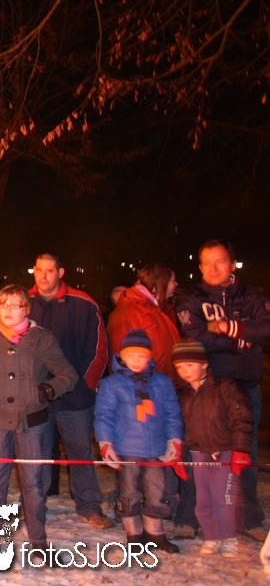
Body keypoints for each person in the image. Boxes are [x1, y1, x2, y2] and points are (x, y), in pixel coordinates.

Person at [0, 284, 78, 549]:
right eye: (3, 305)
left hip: (32, 422)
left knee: (33, 483)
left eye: (15, 305)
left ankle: (38, 541)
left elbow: (68, 374)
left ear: (26, 309)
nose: (9, 310)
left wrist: (47, 390)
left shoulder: (42, 339)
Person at [176, 239, 269, 541]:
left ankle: (249, 517)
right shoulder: (191, 298)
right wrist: (242, 340)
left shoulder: (254, 295)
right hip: (205, 388)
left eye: (220, 262)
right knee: (197, 452)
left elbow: (266, 329)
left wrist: (231, 328)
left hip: (245, 386)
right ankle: (189, 517)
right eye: (207, 263)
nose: (213, 269)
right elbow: (196, 335)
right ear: (200, 266)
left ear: (232, 263)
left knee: (244, 452)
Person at [28, 252, 113, 529]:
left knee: (80, 453)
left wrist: (85, 387)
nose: (43, 276)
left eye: (49, 271)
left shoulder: (83, 303)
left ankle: (89, 506)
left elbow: (99, 350)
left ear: (61, 273)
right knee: (36, 454)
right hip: (36, 398)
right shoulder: (23, 302)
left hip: (74, 397)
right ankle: (34, 506)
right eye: (39, 270)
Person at [94, 329, 184, 553]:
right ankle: (134, 533)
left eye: (142, 356)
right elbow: (104, 415)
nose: (136, 360)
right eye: (131, 355)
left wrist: (174, 439)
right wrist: (105, 443)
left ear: (149, 357)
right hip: (126, 448)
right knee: (129, 491)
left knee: (157, 490)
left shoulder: (162, 382)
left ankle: (155, 532)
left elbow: (172, 414)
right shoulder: (112, 384)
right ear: (122, 356)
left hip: (156, 448)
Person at [172, 339, 253, 558]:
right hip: (199, 452)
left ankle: (229, 537)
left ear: (204, 364)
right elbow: (179, 426)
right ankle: (212, 536)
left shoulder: (226, 388)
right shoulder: (182, 393)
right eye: (179, 367)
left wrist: (240, 450)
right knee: (203, 499)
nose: (184, 371)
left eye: (190, 365)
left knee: (224, 497)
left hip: (224, 451)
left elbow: (242, 418)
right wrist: (178, 455)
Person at [107, 264, 181, 379]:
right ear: (160, 283)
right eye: (173, 280)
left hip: (163, 385)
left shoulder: (159, 310)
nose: (176, 284)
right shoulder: (131, 311)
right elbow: (121, 355)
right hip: (146, 386)